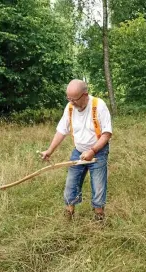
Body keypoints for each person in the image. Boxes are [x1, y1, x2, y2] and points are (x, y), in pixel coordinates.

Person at [40, 79, 112, 220]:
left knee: (98, 186)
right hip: (78, 152)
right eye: (69, 98)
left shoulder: (99, 105)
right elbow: (61, 131)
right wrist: (49, 151)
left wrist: (92, 151)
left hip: (98, 152)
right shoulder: (70, 107)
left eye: (74, 99)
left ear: (85, 94)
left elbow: (106, 134)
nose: (71, 102)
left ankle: (99, 217)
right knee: (71, 184)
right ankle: (69, 215)